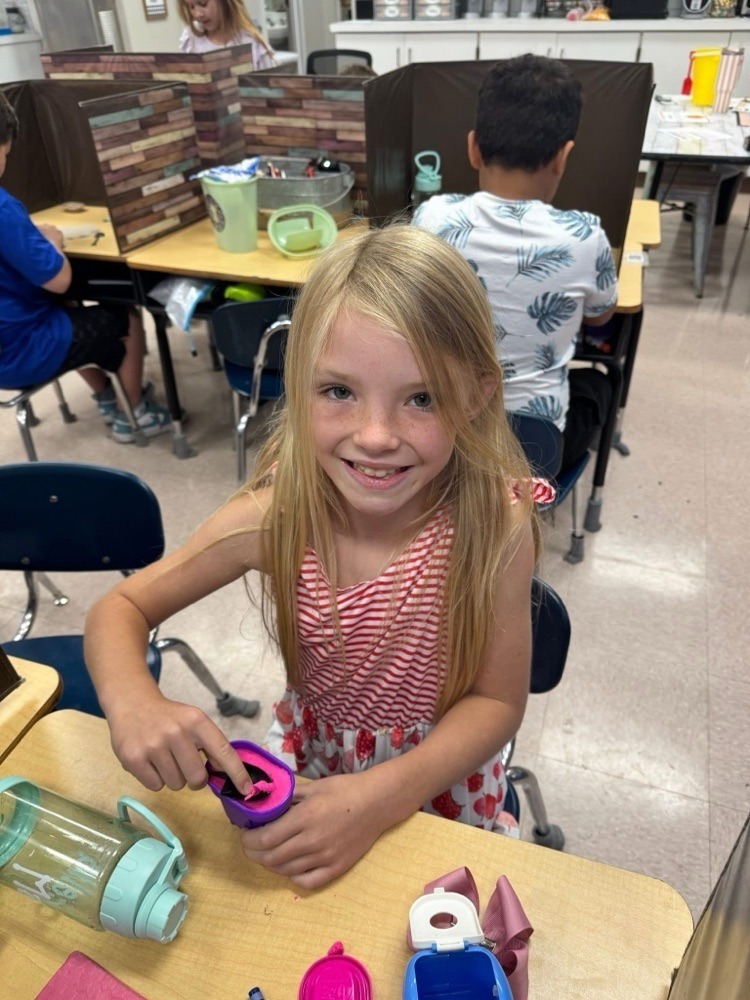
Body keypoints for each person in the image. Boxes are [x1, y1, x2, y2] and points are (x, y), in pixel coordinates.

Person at [84, 225, 547, 889]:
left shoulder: (497, 526)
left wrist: (379, 798)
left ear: (474, 396)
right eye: (338, 392)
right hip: (315, 767)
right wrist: (133, 701)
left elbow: (498, 702)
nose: (376, 436)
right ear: (298, 384)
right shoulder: (276, 518)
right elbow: (121, 606)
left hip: (435, 786)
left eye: (421, 398)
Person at [413, 54, 618, 473]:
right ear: (563, 156)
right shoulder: (585, 237)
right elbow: (601, 317)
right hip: (535, 451)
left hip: (446, 438)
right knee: (598, 383)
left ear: (473, 148)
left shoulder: (432, 218)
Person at [0, 93, 170, 444]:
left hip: (8, 342)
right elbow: (60, 279)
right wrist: (52, 242)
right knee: (126, 316)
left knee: (66, 307)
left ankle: (108, 396)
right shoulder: (3, 210)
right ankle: (133, 415)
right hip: (19, 352)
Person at [178, 0, 276, 68]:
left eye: (203, 3)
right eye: (191, 6)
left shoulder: (252, 44)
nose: (198, 14)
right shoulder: (191, 39)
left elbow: (270, 89)